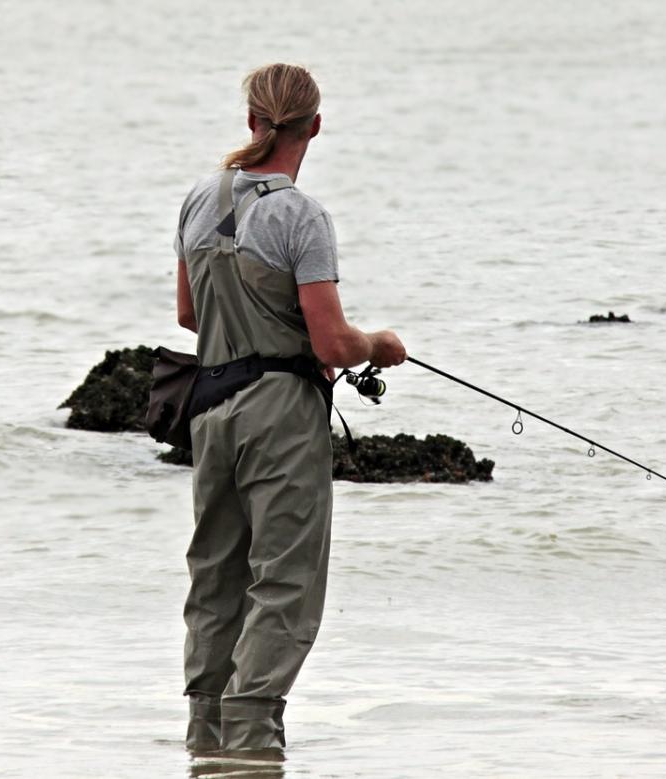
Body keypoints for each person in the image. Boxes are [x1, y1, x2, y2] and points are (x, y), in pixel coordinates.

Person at [173, 63, 406, 755]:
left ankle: (205, 737)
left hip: (209, 408)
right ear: (316, 126)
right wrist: (381, 345)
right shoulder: (300, 215)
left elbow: (190, 315)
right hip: (279, 413)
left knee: (216, 575)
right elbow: (334, 339)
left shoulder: (196, 198)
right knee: (285, 581)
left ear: (252, 121)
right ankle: (250, 736)